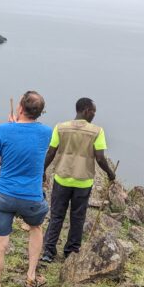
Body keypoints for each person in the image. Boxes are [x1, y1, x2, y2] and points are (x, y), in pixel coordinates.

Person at [0, 91, 51, 287]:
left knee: (0, 242)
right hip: (31, 196)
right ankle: (31, 276)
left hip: (5, 195)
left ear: (20, 108)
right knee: (36, 228)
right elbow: (30, 146)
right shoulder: (46, 132)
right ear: (39, 113)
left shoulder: (1, 130)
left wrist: (11, 127)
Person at [41, 98, 116, 262]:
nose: (94, 115)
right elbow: (100, 158)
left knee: (56, 215)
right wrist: (110, 174)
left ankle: (48, 251)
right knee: (78, 217)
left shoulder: (60, 128)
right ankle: (71, 251)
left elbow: (51, 152)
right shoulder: (97, 131)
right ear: (86, 110)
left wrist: (42, 170)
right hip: (83, 182)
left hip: (62, 179)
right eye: (93, 112)